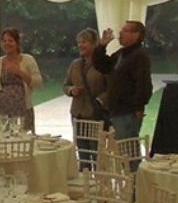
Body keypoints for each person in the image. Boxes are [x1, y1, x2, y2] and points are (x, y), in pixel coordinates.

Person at [92, 20, 152, 149]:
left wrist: (138, 107)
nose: (120, 33)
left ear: (136, 35)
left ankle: (133, 170)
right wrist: (102, 46)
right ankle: (128, 169)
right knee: (121, 149)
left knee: (128, 149)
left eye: (125, 30)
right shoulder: (122, 53)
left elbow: (143, 83)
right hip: (117, 110)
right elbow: (103, 66)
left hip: (128, 111)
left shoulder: (139, 55)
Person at [63, 28, 109, 170]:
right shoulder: (75, 64)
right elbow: (65, 84)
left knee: (96, 153)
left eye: (85, 42)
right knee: (82, 153)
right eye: (79, 43)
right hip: (78, 114)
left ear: (94, 44)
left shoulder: (103, 64)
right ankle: (85, 183)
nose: (81, 45)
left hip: (95, 115)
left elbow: (111, 88)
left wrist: (100, 101)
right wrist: (71, 90)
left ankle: (99, 183)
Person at [0, 27, 43, 133]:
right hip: (1, 109)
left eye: (10, 40)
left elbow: (38, 82)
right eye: (4, 41)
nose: (7, 43)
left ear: (17, 43)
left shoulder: (28, 60)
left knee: (22, 138)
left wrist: (20, 72)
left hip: (22, 108)